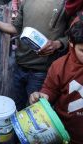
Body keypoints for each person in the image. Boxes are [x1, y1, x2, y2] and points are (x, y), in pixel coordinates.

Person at [0, 0, 68, 111]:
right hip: (20, 66)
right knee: (17, 107)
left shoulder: (65, 3)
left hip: (42, 71)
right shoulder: (26, 2)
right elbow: (15, 29)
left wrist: (57, 44)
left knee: (36, 111)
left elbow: (73, 35)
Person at [29, 15, 83, 144]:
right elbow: (49, 90)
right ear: (71, 43)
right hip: (66, 135)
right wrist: (41, 97)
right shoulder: (59, 66)